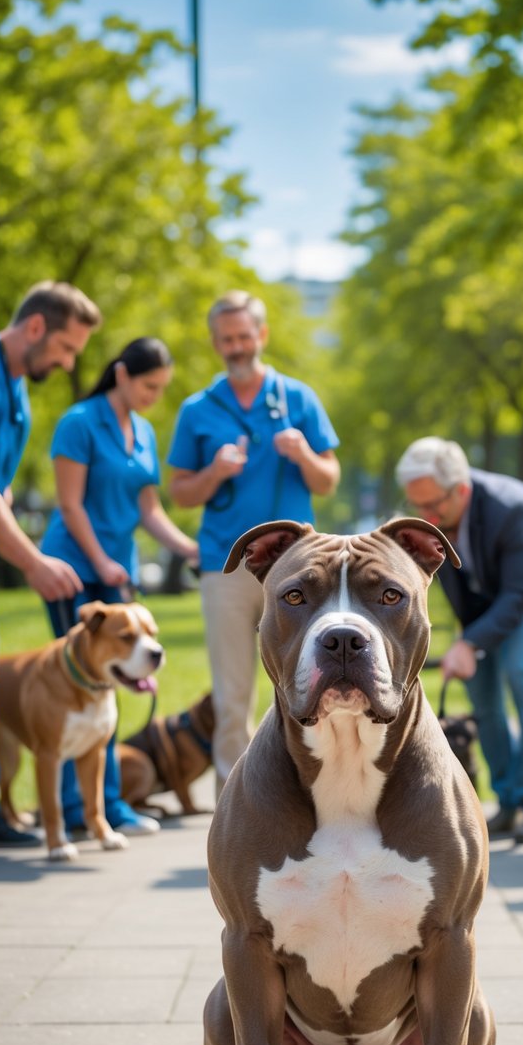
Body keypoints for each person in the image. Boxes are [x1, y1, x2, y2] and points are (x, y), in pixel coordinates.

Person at [168, 290, 340, 794]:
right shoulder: (198, 409)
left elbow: (328, 480)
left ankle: (301, 788)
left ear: (261, 336)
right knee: (232, 689)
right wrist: (214, 472)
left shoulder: (298, 399)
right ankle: (236, 799)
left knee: (302, 679)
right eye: (227, 340)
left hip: (295, 569)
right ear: (216, 342)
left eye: (245, 337)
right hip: (225, 565)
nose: (237, 348)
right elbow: (179, 492)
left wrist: (304, 453)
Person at [41, 337, 200, 837]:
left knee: (107, 696)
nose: (155, 394)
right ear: (123, 374)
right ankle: (74, 809)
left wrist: (189, 548)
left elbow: (149, 510)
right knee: (72, 694)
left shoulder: (145, 432)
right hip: (73, 571)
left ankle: (105, 806)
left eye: (161, 387)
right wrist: (102, 561)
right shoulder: (79, 423)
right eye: (149, 385)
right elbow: (70, 505)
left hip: (115, 573)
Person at [396, 437, 523, 843]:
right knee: (480, 690)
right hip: (485, 604)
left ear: (461, 489)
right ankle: (509, 799)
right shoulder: (434, 519)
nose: (425, 516)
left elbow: (522, 590)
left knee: (520, 670)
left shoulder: (510, 506)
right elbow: (452, 587)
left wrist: (470, 641)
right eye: (418, 506)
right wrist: (469, 639)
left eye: (433, 505)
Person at [0, 281, 101, 847]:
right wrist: (33, 562)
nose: (68, 362)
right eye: (67, 349)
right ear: (36, 328)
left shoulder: (14, 386)